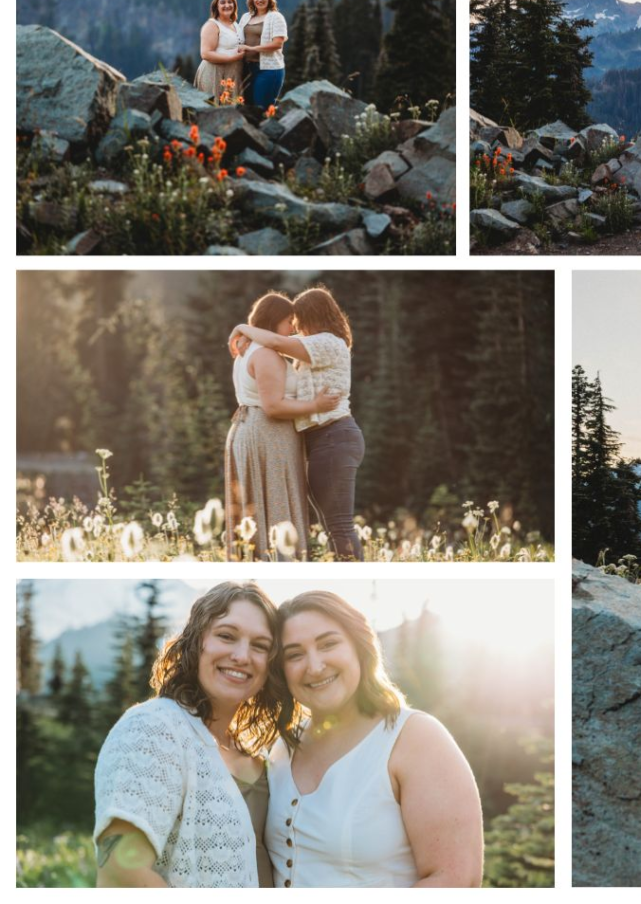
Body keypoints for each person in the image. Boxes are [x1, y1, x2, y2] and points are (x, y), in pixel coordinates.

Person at [266, 591, 484, 887]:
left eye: (328, 644)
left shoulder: (415, 739)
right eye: (294, 654)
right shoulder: (282, 748)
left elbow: (456, 880)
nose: (314, 666)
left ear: (360, 648)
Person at [93, 582, 283, 888]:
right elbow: (120, 874)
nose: (242, 655)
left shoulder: (260, 757)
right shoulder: (154, 728)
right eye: (226, 636)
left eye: (260, 645)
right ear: (197, 643)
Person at [230, 287, 364, 561]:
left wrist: (243, 327)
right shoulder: (311, 345)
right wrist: (250, 335)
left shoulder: (328, 342)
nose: (295, 327)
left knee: (338, 524)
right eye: (292, 321)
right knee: (331, 525)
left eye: (299, 320)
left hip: (333, 436)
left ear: (312, 316)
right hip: (322, 439)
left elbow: (277, 342)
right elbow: (274, 345)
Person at [237, 0, 288, 110]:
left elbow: (278, 43)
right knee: (248, 108)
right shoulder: (245, 17)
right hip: (247, 70)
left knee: (262, 109)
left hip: (269, 71)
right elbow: (238, 40)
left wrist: (251, 49)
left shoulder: (276, 17)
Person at [194, 0, 246, 100]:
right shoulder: (212, 25)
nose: (227, 5)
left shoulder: (236, 25)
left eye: (230, 2)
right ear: (216, 7)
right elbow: (205, 54)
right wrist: (232, 57)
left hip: (232, 75)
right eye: (222, 3)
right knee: (213, 109)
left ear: (234, 5)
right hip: (214, 73)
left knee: (230, 111)